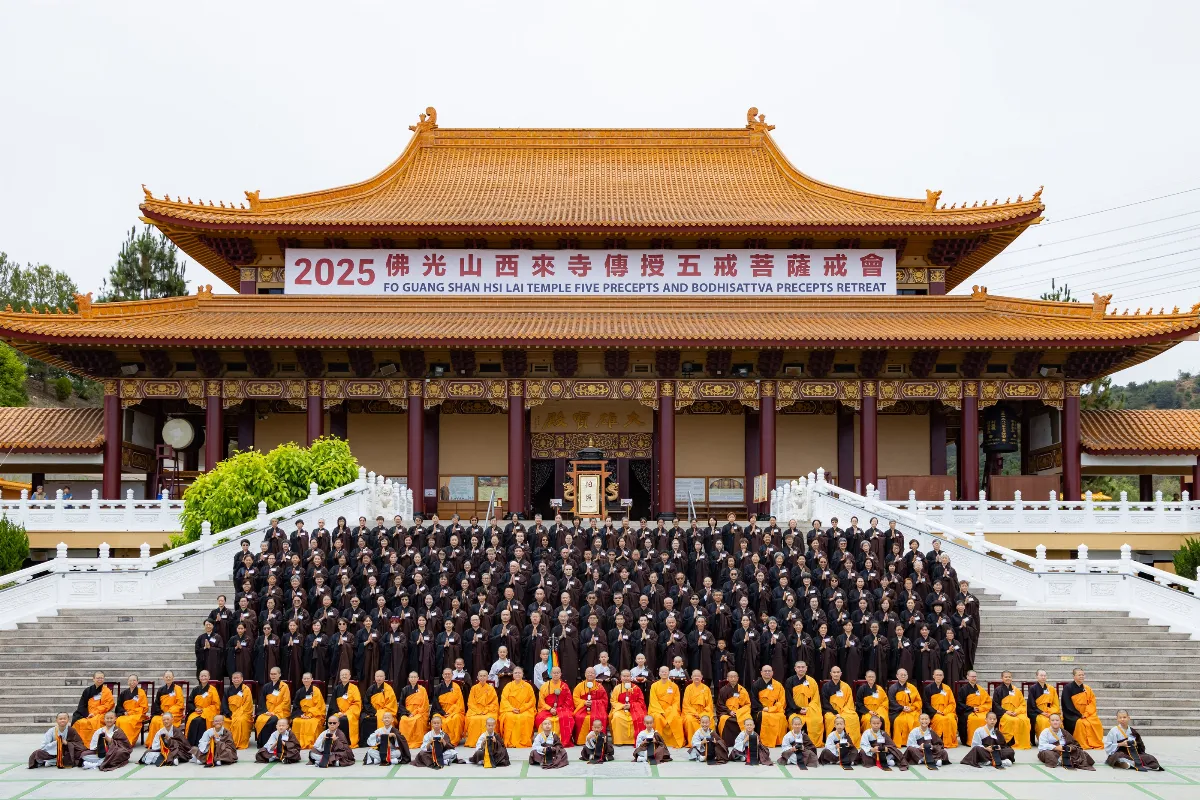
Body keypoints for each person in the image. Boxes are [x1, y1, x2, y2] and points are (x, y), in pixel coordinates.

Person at [1061, 668, 1104, 750]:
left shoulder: (1087, 688)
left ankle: (1093, 742)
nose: (1081, 676)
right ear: (1074, 676)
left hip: (1086, 713)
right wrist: (1079, 714)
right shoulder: (1068, 688)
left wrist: (1087, 713)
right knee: (1080, 723)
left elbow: (1092, 702)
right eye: (1079, 675)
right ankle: (1081, 743)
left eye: (1083, 675)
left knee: (1096, 722)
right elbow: (1067, 704)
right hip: (1072, 714)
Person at [534, 665, 576, 744]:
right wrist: (550, 709)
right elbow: (541, 701)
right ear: (550, 674)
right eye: (554, 673)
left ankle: (563, 741)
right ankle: (544, 740)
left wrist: (558, 710)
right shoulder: (545, 686)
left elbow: (568, 700)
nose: (556, 674)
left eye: (557, 673)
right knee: (540, 718)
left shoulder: (564, 686)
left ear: (560, 674)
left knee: (567, 717)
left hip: (561, 709)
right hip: (547, 710)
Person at [784, 661, 823, 747]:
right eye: (799, 667)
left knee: (816, 720)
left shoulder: (812, 681)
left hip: (809, 710)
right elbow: (788, 699)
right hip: (794, 710)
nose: (801, 669)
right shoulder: (789, 681)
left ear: (806, 668)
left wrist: (808, 709)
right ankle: (795, 742)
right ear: (795, 669)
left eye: (802, 667)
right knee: (794, 720)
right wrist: (798, 709)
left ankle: (812, 743)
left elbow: (815, 699)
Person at [821, 665, 860, 746]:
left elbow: (849, 702)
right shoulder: (826, 686)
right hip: (830, 711)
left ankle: (851, 741)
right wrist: (835, 712)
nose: (836, 674)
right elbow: (825, 703)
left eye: (838, 672)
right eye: (834, 672)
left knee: (853, 717)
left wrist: (843, 711)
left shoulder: (846, 686)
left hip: (844, 710)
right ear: (830, 673)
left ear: (841, 674)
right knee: (829, 718)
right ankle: (831, 741)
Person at [72, 672, 115, 746]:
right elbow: (82, 704)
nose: (99, 680)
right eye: (98, 678)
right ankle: (80, 743)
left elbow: (109, 704)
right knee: (79, 722)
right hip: (88, 713)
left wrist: (95, 713)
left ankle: (93, 744)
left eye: (101, 678)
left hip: (101, 713)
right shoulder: (87, 690)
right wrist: (87, 714)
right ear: (93, 679)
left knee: (94, 722)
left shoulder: (107, 691)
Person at [498, 666, 537, 747]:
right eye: (515, 673)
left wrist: (521, 709)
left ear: (522, 674)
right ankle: (510, 741)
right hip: (510, 710)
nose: (517, 674)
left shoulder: (528, 686)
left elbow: (532, 701)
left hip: (525, 710)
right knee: (509, 717)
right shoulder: (508, 686)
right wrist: (512, 709)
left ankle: (524, 741)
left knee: (525, 717)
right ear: (513, 675)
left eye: (519, 673)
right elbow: (504, 700)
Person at [647, 665, 685, 748]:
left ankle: (676, 741)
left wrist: (671, 710)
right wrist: (661, 711)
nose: (664, 673)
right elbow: (653, 701)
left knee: (676, 718)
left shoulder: (674, 686)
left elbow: (676, 701)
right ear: (659, 673)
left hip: (670, 709)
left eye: (666, 672)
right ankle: (658, 741)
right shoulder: (654, 686)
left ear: (669, 673)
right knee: (657, 718)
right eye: (662, 671)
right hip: (657, 709)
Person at [992, 671, 1031, 751]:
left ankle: (1021, 742)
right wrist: (1006, 711)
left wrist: (1017, 711)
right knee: (1010, 720)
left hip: (1016, 712)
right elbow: (995, 705)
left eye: (1009, 677)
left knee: (1025, 720)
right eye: (1006, 677)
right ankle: (1009, 742)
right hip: (1004, 713)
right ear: (1002, 678)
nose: (1008, 678)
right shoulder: (998, 690)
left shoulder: (1016, 690)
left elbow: (1022, 704)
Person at [750, 664, 787, 747]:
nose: (767, 673)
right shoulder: (756, 685)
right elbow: (753, 700)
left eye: (769, 671)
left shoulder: (778, 685)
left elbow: (782, 700)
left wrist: (773, 708)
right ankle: (763, 740)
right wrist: (763, 708)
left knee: (781, 717)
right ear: (761, 673)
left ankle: (778, 741)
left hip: (775, 709)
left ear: (772, 673)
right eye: (765, 671)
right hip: (761, 709)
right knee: (763, 716)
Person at [361, 669, 399, 746]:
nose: (379, 678)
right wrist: (374, 712)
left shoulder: (388, 689)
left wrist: (380, 712)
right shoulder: (371, 689)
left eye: (381, 676)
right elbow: (366, 702)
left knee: (384, 717)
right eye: (377, 676)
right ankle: (367, 742)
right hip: (373, 712)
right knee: (364, 719)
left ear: (384, 677)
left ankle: (385, 740)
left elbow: (391, 704)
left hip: (385, 711)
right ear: (374, 677)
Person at [610, 669, 647, 745]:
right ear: (621, 677)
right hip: (620, 709)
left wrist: (631, 706)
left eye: (628, 676)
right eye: (624, 676)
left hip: (635, 710)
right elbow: (613, 701)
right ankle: (619, 741)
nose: (626, 678)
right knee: (616, 717)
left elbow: (641, 702)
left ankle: (637, 740)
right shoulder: (617, 688)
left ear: (631, 677)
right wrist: (623, 706)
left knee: (641, 717)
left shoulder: (636, 688)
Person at [923, 669, 959, 748]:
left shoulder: (947, 688)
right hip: (935, 712)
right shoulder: (928, 688)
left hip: (946, 711)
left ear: (943, 677)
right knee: (941, 719)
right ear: (933, 676)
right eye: (937, 675)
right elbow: (926, 703)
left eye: (940, 675)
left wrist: (945, 711)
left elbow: (952, 703)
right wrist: (936, 711)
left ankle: (949, 741)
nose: (938, 676)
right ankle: (938, 740)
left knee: (951, 719)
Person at [572, 667, 609, 744]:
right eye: (588, 672)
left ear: (595, 675)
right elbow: (575, 698)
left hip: (597, 710)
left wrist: (594, 703)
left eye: (592, 673)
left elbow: (604, 700)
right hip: (583, 709)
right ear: (585, 674)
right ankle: (581, 740)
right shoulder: (579, 686)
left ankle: (600, 739)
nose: (590, 674)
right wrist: (584, 702)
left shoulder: (599, 687)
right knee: (579, 717)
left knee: (602, 717)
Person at [432, 668, 467, 745]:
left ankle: (453, 740)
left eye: (449, 674)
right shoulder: (438, 687)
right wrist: (442, 712)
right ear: (442, 676)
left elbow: (459, 703)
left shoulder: (456, 687)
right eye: (445, 674)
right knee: (436, 718)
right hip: (441, 711)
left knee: (456, 718)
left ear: (452, 675)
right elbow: (435, 703)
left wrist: (451, 712)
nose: (447, 675)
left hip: (454, 712)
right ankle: (438, 740)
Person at [185, 670, 221, 745]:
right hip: (196, 712)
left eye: (205, 676)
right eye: (202, 676)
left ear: (209, 677)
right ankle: (191, 743)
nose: (203, 677)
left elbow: (216, 704)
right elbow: (190, 702)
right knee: (192, 720)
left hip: (208, 712)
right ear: (199, 678)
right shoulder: (195, 689)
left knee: (200, 721)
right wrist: (195, 709)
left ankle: (202, 742)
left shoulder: (212, 689)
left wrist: (204, 710)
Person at [290, 672, 325, 749]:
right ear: (302, 680)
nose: (306, 680)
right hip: (302, 714)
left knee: (311, 722)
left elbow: (319, 706)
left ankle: (310, 742)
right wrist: (301, 714)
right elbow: (296, 706)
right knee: (296, 721)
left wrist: (309, 715)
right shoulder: (299, 692)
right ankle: (297, 741)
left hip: (314, 715)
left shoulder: (316, 691)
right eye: (304, 679)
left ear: (312, 679)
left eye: (308, 678)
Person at [887, 668, 921, 747]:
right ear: (897, 676)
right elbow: (891, 701)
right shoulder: (893, 688)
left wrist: (911, 708)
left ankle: (914, 741)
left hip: (911, 710)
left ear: (907, 676)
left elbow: (918, 701)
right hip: (898, 711)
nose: (903, 676)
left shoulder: (912, 687)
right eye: (901, 675)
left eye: (905, 675)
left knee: (916, 720)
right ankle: (901, 742)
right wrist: (902, 708)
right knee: (899, 721)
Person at [1027, 669, 1061, 746]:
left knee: (1057, 719)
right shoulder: (1033, 688)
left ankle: (1055, 740)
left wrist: (1051, 712)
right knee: (1043, 721)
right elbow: (1032, 704)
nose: (1043, 677)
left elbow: (1055, 703)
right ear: (1037, 677)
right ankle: (1043, 740)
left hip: (1050, 711)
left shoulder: (1051, 688)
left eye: (1044, 675)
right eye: (1041, 675)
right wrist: (1042, 712)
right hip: (1037, 712)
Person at [956, 670, 991, 747]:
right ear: (967, 677)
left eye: (975, 676)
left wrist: (980, 708)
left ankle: (985, 740)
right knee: (974, 720)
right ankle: (971, 740)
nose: (974, 678)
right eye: (972, 676)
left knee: (985, 718)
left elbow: (988, 702)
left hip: (980, 710)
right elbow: (959, 703)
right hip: (968, 711)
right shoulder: (963, 689)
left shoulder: (980, 689)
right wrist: (972, 708)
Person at [465, 670, 500, 745]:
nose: (482, 678)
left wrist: (486, 710)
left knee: (489, 719)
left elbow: (494, 703)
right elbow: (470, 703)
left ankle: (489, 741)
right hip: (475, 711)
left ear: (487, 677)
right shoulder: (474, 688)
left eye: (484, 676)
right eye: (481, 676)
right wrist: (478, 711)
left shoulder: (491, 688)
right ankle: (473, 742)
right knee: (473, 719)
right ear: (477, 677)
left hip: (488, 711)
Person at [396, 671, 430, 749]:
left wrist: (415, 712)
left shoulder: (422, 689)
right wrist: (408, 713)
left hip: (419, 712)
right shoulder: (405, 689)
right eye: (411, 677)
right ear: (409, 679)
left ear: (418, 678)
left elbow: (425, 705)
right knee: (403, 720)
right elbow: (401, 704)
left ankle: (417, 741)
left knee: (417, 719)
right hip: (407, 712)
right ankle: (405, 741)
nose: (413, 679)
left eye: (415, 677)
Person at [114, 674, 148, 747]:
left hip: (137, 714)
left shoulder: (141, 692)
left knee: (129, 721)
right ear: (127, 682)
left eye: (134, 680)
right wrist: (124, 712)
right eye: (130, 680)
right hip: (126, 714)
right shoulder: (124, 693)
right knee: (119, 720)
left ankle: (128, 742)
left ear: (137, 682)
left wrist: (132, 712)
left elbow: (143, 707)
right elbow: (119, 706)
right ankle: (120, 741)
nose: (132, 682)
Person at [854, 670, 888, 741]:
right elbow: (859, 703)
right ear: (866, 678)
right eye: (869, 677)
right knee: (867, 720)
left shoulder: (879, 689)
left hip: (879, 711)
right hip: (867, 712)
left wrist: (878, 711)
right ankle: (869, 739)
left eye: (872, 677)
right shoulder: (862, 689)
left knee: (884, 719)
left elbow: (885, 701)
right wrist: (869, 711)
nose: (871, 678)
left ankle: (883, 738)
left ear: (875, 678)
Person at [224, 672, 255, 749]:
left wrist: (237, 714)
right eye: (234, 678)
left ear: (242, 679)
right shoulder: (228, 690)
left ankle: (239, 743)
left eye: (238, 678)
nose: (236, 679)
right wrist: (229, 713)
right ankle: (227, 742)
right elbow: (224, 703)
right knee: (223, 721)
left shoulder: (246, 689)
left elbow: (248, 704)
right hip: (230, 714)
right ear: (232, 679)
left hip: (243, 713)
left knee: (240, 721)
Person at [681, 669, 713, 742]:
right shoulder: (688, 688)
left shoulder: (706, 688)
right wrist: (695, 713)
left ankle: (708, 740)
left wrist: (702, 714)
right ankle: (692, 741)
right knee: (689, 720)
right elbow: (686, 704)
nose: (696, 677)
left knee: (708, 719)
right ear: (691, 677)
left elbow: (709, 704)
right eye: (695, 676)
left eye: (698, 676)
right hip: (691, 713)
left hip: (703, 712)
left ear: (701, 677)